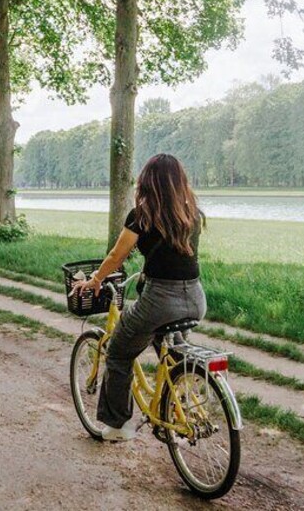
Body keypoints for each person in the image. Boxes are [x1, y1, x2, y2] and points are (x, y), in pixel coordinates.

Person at [72, 154, 206, 441]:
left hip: (161, 299)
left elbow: (116, 256)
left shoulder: (142, 215)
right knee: (174, 350)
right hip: (195, 297)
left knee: (119, 352)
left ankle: (117, 426)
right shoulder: (193, 213)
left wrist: (95, 280)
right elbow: (179, 257)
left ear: (148, 182)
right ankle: (179, 405)